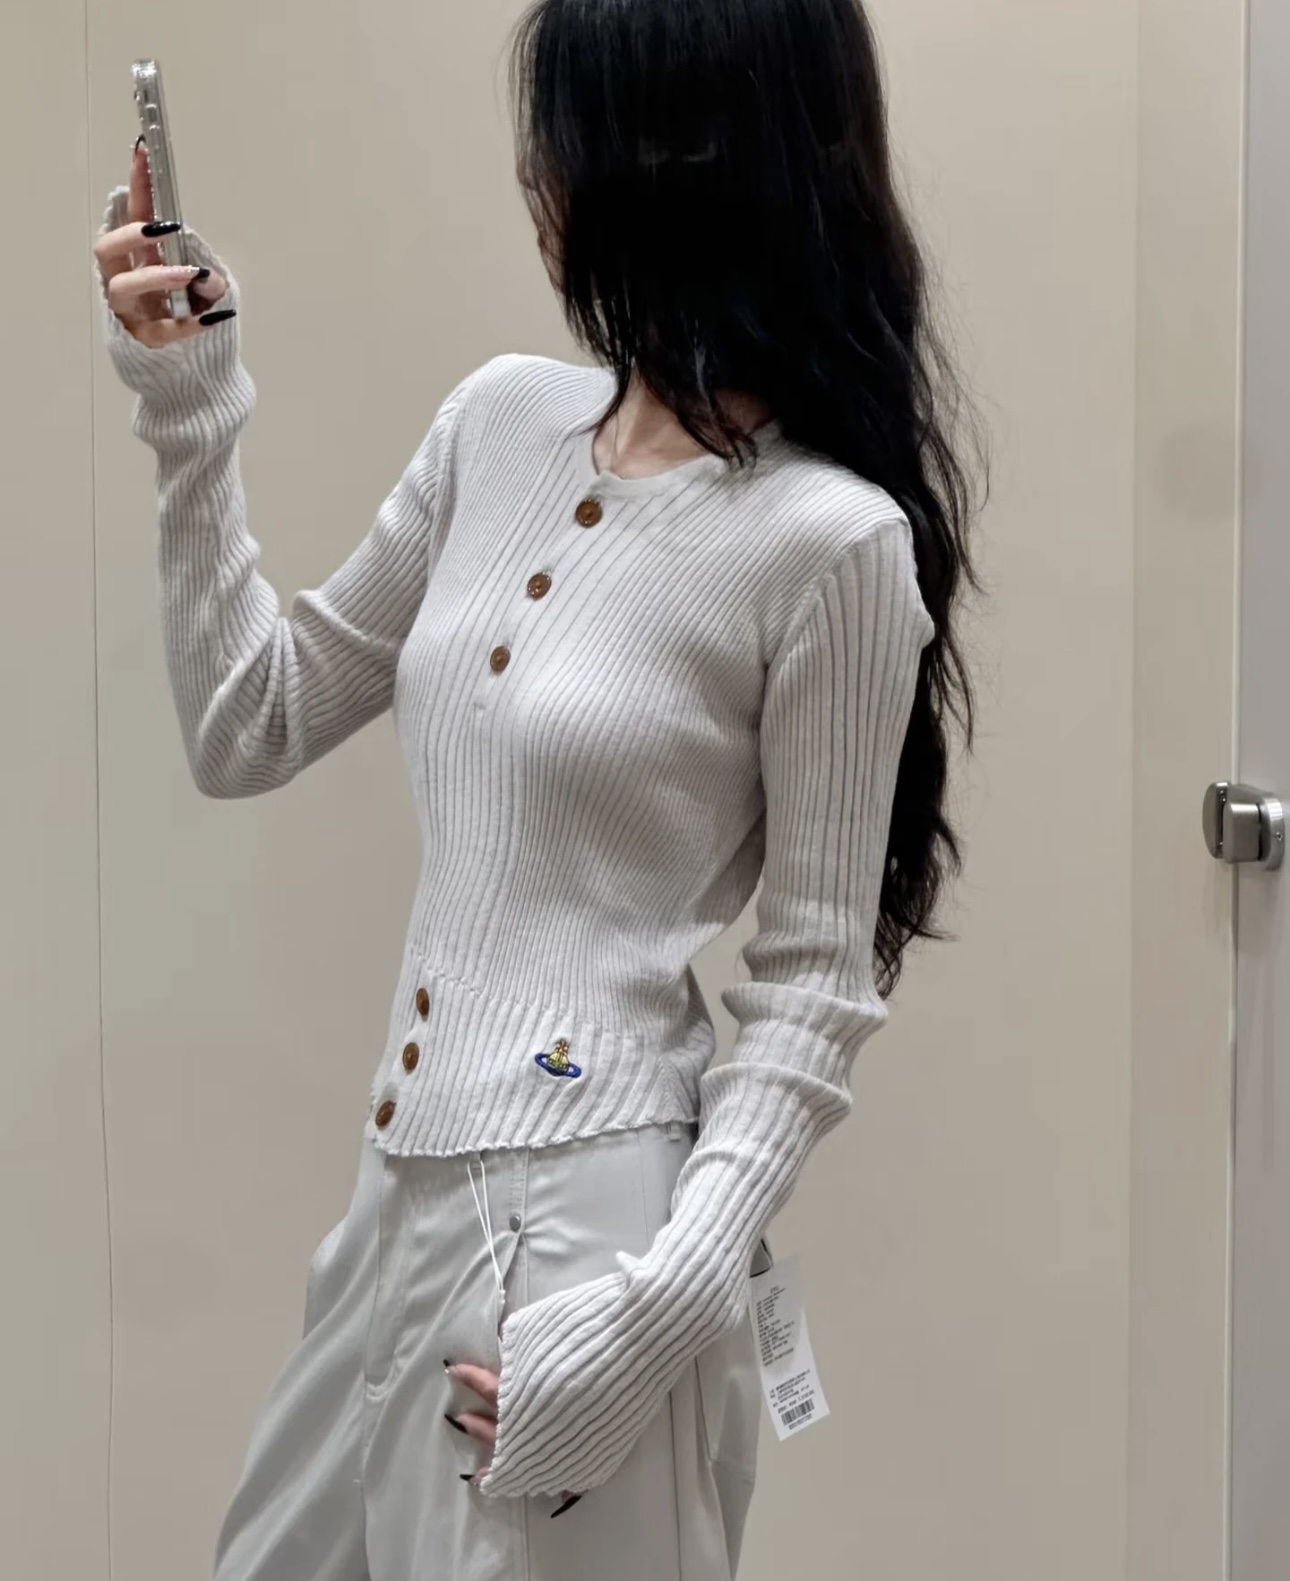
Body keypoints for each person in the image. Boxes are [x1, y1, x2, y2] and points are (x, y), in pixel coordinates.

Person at [92, 0, 981, 1577]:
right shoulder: (497, 422)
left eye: (565, 130)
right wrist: (191, 406)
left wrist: (652, 1319)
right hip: (398, 1198)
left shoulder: (831, 545)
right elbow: (251, 721)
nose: (534, 170)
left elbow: (812, 988)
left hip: (589, 1239)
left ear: (684, 158)